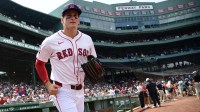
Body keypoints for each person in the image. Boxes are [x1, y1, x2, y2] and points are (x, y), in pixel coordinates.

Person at [35, 3, 97, 112]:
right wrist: (48, 84)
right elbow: (39, 63)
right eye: (68, 16)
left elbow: (93, 60)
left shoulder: (87, 39)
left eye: (75, 16)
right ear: (62, 20)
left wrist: (95, 67)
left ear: (78, 20)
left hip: (81, 89)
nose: (72, 18)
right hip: (62, 90)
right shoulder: (50, 41)